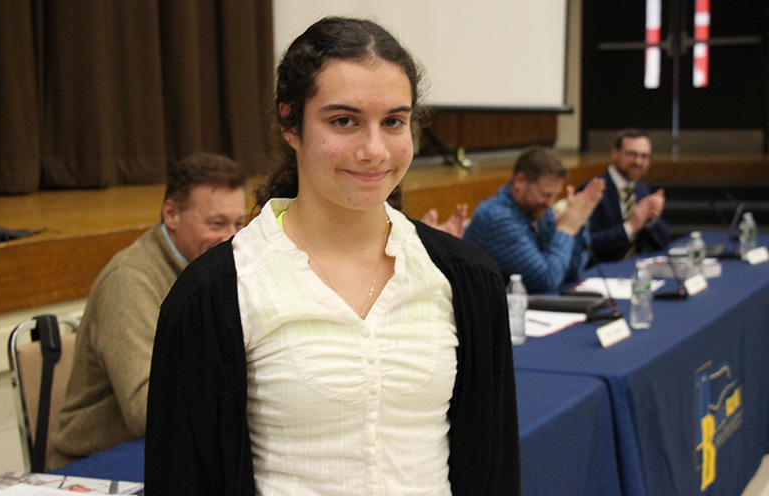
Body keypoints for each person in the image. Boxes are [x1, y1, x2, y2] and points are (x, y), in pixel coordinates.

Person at [145, 17, 520, 496]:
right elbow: (182, 477)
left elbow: (493, 469)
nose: (374, 149)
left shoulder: (465, 280)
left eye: (393, 122)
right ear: (290, 123)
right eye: (344, 121)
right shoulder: (215, 295)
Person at [47, 152, 247, 470]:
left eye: (239, 223)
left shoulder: (216, 271)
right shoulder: (129, 280)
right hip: (99, 465)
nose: (231, 238)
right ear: (171, 214)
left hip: (172, 451)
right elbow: (148, 410)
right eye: (216, 223)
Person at [463, 147, 605, 293]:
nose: (550, 203)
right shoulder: (498, 218)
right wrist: (566, 230)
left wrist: (579, 221)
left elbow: (571, 272)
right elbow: (547, 280)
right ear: (520, 181)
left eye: (555, 195)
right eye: (546, 194)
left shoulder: (539, 210)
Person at [586, 129, 670, 262]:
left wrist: (651, 219)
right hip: (603, 274)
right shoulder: (593, 190)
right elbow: (586, 243)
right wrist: (630, 227)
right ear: (615, 153)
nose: (638, 162)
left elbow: (664, 242)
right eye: (632, 154)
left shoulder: (643, 191)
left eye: (644, 156)